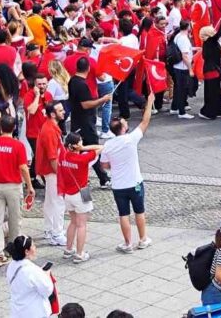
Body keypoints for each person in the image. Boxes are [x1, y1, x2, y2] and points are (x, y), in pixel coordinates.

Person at [100, 91, 155, 253]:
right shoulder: (131, 139)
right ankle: (143, 238)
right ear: (124, 128)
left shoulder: (108, 145)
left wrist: (113, 166)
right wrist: (149, 102)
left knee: (123, 214)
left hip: (119, 185)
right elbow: (145, 121)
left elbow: (104, 165)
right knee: (139, 211)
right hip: (135, 182)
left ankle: (127, 243)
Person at [0, 114, 34, 268]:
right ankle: (14, 249)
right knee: (14, 219)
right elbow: (23, 168)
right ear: (14, 128)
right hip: (13, 186)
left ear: (0, 128)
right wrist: (29, 186)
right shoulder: (18, 145)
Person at [67, 56, 112, 188]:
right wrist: (102, 100)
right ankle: (103, 178)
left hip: (78, 120)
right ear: (88, 68)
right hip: (85, 123)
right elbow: (86, 104)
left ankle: (81, 176)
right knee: (93, 149)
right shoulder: (82, 84)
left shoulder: (72, 81)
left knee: (79, 150)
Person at [58, 132, 102, 263]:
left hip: (68, 194)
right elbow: (100, 148)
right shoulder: (83, 159)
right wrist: (83, 149)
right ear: (76, 145)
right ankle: (79, 253)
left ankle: (68, 249)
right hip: (81, 193)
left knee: (72, 222)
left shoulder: (63, 156)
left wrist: (78, 147)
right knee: (82, 225)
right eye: (81, 142)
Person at [36, 100, 66, 246]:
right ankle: (57, 232)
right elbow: (52, 157)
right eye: (60, 111)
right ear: (53, 114)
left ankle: (49, 229)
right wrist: (61, 174)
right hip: (53, 171)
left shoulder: (50, 127)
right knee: (58, 202)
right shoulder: (50, 131)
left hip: (49, 170)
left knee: (50, 201)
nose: (64, 112)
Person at [5, 235, 55, 318]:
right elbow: (47, 290)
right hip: (34, 312)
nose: (35, 248)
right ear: (26, 251)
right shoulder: (32, 270)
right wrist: (46, 275)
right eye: (33, 246)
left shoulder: (11, 265)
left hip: (17, 311)